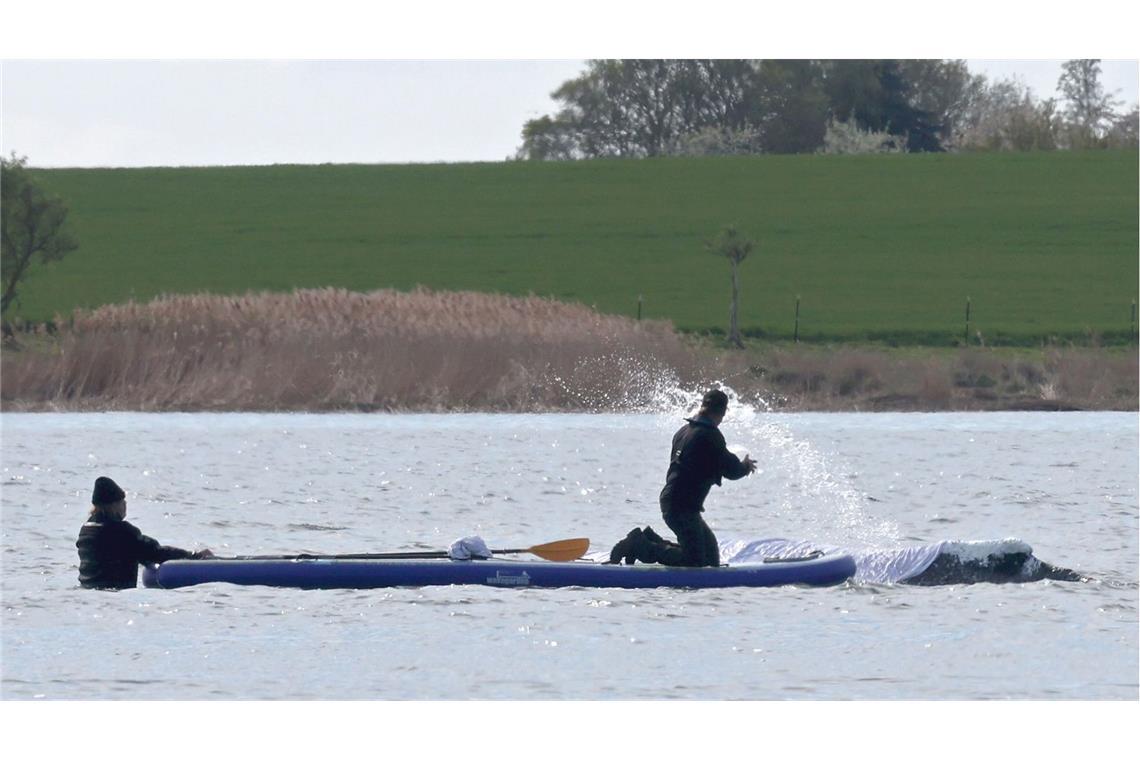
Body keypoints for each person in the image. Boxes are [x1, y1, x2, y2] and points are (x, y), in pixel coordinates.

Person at [609, 389, 756, 566]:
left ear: (703, 406)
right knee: (695, 561)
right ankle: (638, 545)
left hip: (678, 503)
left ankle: (648, 539)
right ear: (723, 412)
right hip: (681, 507)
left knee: (710, 560)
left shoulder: (684, 431)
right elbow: (732, 470)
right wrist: (746, 466)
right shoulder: (710, 436)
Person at [76, 476, 212, 589]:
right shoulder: (122, 532)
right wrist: (194, 556)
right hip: (114, 593)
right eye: (123, 502)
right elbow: (155, 552)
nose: (125, 506)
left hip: (88, 590)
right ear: (114, 505)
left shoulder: (86, 530)